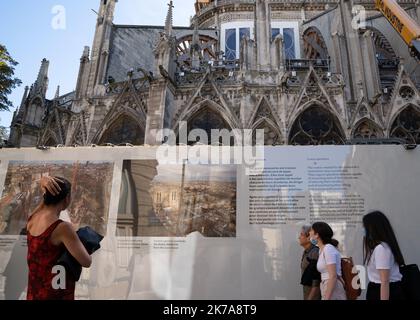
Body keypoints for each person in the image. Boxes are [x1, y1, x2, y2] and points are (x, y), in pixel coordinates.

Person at [26, 176, 92, 300]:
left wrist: (43, 185)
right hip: (54, 292)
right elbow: (86, 261)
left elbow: (42, 207)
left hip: (35, 292)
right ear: (67, 198)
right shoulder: (62, 228)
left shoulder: (32, 219)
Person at [363, 211, 405, 300]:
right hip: (382, 289)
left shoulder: (381, 249)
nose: (363, 230)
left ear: (372, 228)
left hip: (383, 291)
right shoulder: (382, 247)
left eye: (365, 227)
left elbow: (385, 281)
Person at [309, 222, 346, 300]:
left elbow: (333, 276)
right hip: (327, 285)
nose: (309, 233)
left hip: (333, 287)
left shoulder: (328, 249)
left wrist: (327, 297)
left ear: (317, 234)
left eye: (311, 230)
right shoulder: (322, 249)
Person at [299, 225, 321, 300]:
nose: (299, 237)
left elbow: (316, 281)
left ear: (309, 237)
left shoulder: (314, 252)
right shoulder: (306, 252)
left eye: (301, 234)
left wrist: (310, 298)